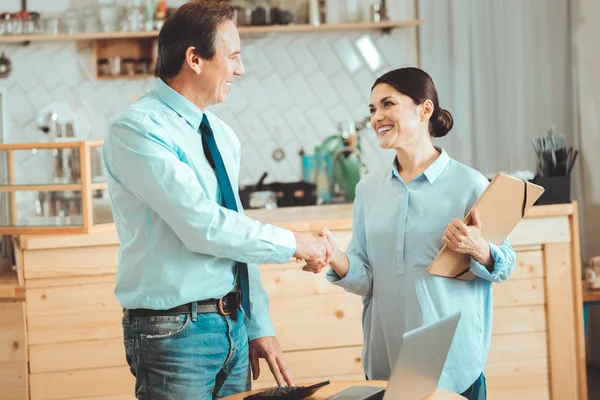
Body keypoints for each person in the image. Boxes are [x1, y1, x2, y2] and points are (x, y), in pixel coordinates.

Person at [103, 1, 330, 399]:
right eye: (234, 57)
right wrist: (295, 243)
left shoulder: (222, 135)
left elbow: (233, 233)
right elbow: (203, 226)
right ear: (194, 58)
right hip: (173, 332)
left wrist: (258, 324)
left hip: (233, 326)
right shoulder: (137, 129)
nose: (240, 70)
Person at [303, 67, 516, 400]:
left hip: (455, 366)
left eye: (388, 104)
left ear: (425, 109)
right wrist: (334, 255)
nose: (377, 117)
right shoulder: (367, 190)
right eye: (373, 109)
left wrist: (480, 248)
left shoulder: (470, 184)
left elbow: (505, 264)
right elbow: (366, 280)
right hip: (386, 363)